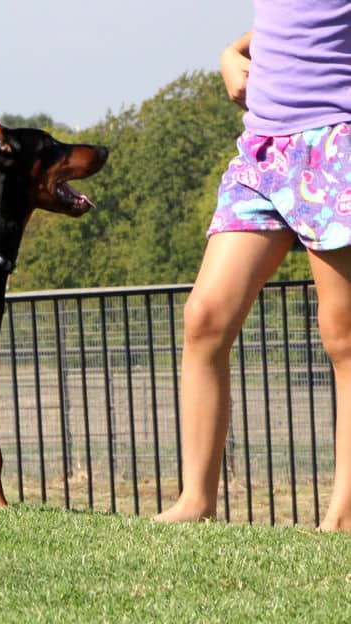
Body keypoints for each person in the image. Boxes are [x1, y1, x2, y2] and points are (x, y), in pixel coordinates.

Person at [154, 0, 351, 531]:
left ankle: (344, 518)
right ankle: (196, 501)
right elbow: (294, 23)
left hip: (336, 143)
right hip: (264, 152)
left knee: (343, 335)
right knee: (205, 318)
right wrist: (230, 52)